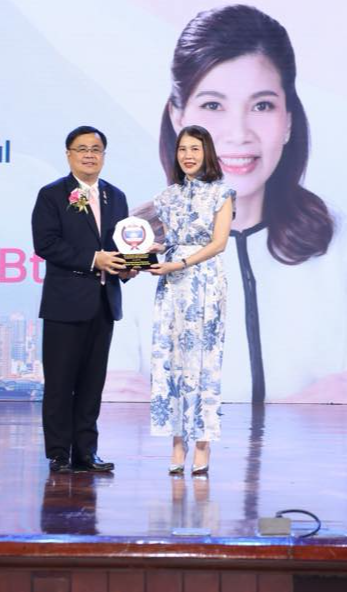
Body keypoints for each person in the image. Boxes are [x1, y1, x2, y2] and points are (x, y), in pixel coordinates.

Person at [123, 4, 347, 404]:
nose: (239, 134)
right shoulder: (130, 246)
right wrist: (303, 409)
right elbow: (112, 419)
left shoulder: (342, 241)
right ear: (178, 118)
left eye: (262, 106)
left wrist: (174, 408)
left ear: (288, 120)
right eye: (213, 106)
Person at [32, 125, 134, 473]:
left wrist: (128, 266)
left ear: (103, 155)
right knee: (61, 384)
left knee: (92, 385)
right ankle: (59, 454)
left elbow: (122, 244)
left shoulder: (115, 196)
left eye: (96, 149)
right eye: (82, 149)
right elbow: (46, 244)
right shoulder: (52, 194)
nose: (89, 155)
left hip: (104, 302)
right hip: (65, 303)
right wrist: (94, 259)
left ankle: (86, 453)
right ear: (68, 155)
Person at [147, 125, 234, 475]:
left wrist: (181, 263)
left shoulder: (222, 193)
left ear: (207, 152)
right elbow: (169, 242)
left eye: (195, 149)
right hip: (172, 284)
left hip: (205, 282)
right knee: (171, 360)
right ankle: (177, 441)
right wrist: (148, 251)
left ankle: (202, 443)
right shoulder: (166, 197)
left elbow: (218, 243)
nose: (188, 155)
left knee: (204, 362)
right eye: (183, 149)